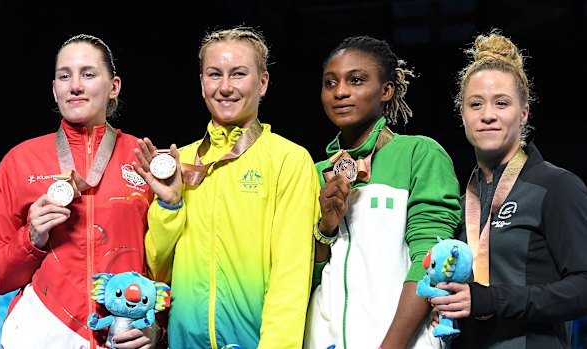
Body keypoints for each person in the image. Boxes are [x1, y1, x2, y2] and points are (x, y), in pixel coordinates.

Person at [131, 26, 321, 349]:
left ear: (263, 83)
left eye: (239, 74)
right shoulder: (183, 161)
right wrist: (168, 205)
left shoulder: (289, 160)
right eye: (214, 74)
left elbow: (291, 275)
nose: (225, 87)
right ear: (201, 83)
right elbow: (158, 270)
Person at [0, 34, 164, 348]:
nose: (75, 85)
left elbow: (165, 263)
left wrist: (157, 328)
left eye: (88, 74)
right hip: (45, 333)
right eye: (65, 76)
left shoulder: (143, 159)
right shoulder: (21, 161)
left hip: (121, 335)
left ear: (113, 86)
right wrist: (32, 237)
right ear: (55, 89)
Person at [428, 28, 587, 348]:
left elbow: (583, 288)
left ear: (523, 112)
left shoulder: (556, 187)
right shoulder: (461, 207)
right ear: (462, 115)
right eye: (475, 104)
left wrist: (491, 300)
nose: (488, 115)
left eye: (501, 103)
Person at [303, 35, 462, 349]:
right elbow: (310, 276)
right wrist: (326, 229)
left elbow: (430, 263)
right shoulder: (313, 170)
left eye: (357, 80)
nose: (341, 92)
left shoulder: (419, 154)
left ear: (386, 90)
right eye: (330, 83)